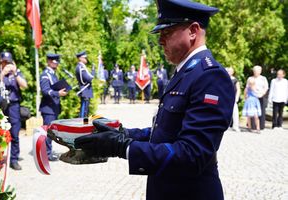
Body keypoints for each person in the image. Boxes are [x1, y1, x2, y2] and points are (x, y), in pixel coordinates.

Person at [74, 1, 235, 200]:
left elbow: (193, 154)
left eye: (166, 33)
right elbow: (167, 132)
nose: (160, 41)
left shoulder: (210, 76)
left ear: (193, 31)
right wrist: (123, 133)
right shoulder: (186, 72)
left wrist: (122, 147)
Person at [0, 51, 28, 170]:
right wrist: (2, 74)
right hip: (0, 106)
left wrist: (15, 72)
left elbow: (24, 85)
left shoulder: (16, 72)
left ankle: (14, 159)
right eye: (5, 62)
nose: (7, 64)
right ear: (1, 62)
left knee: (15, 134)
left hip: (14, 106)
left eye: (9, 62)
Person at [40, 53, 68, 161]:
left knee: (51, 132)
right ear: (48, 61)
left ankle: (48, 152)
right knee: (48, 132)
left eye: (56, 62)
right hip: (48, 109)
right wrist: (58, 93)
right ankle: (46, 154)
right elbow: (45, 91)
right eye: (53, 61)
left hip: (53, 108)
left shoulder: (53, 74)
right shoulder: (45, 74)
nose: (56, 63)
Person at [246, 65, 268, 130]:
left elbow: (266, 87)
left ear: (260, 71)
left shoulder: (263, 78)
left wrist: (262, 94)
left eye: (257, 71)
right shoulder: (250, 78)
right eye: (254, 71)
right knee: (252, 112)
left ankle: (261, 126)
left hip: (261, 96)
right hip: (252, 97)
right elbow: (247, 87)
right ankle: (252, 126)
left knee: (261, 111)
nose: (255, 72)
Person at [75, 51, 94, 117]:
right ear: (80, 58)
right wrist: (93, 72)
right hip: (85, 90)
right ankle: (83, 123)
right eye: (84, 58)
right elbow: (87, 78)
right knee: (84, 110)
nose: (86, 59)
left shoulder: (82, 66)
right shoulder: (80, 67)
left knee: (86, 110)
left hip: (86, 90)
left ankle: (85, 123)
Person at [226, 67, 241, 132]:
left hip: (233, 98)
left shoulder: (235, 80)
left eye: (230, 71)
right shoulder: (224, 78)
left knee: (235, 112)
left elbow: (238, 89)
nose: (229, 72)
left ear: (232, 72)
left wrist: (237, 97)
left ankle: (235, 126)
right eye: (228, 71)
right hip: (225, 97)